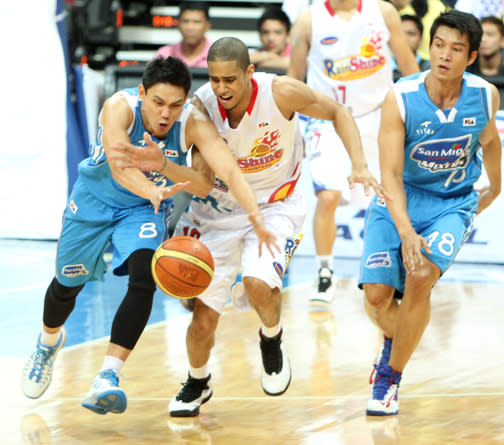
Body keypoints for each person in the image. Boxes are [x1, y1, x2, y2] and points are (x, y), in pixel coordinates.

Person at [113, 37, 386, 417]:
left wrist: (358, 164)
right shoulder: (200, 108)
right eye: (214, 79)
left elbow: (339, 111)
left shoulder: (282, 92)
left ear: (249, 72)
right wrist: (161, 165)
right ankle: (198, 380)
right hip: (215, 212)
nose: (221, 88)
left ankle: (271, 338)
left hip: (276, 205)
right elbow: (203, 181)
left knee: (259, 285)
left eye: (230, 79)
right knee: (199, 310)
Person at [21, 56, 277, 415]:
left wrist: (254, 213)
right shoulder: (118, 108)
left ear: (185, 102)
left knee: (145, 278)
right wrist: (153, 189)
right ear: (141, 93)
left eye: (175, 105)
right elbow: (118, 165)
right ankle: (48, 342)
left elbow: (216, 178)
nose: (165, 114)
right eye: (157, 102)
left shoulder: (194, 123)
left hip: (141, 211)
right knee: (66, 286)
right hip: (94, 202)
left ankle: (108, 376)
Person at [359, 10, 501, 416]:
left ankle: (390, 378)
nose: (444, 55)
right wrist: (405, 231)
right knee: (376, 299)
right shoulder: (400, 96)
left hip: (451, 203)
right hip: (398, 197)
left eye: (456, 49)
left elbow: (490, 141)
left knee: (420, 276)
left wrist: (496, 185)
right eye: (438, 45)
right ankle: (396, 341)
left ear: (471, 56)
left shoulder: (484, 94)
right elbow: (388, 173)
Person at [288, 0, 419, 305]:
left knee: (389, 196)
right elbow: (293, 77)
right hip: (327, 118)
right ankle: (324, 270)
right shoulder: (308, 20)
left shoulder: (383, 12)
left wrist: (419, 108)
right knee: (328, 195)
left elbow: (409, 66)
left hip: (378, 117)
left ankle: (392, 269)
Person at [154, 1, 212, 68]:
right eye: (185, 21)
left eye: (196, 22)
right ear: (178, 24)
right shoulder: (164, 55)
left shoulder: (219, 57)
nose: (190, 27)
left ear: (207, 26)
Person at [249, 7, 292, 71]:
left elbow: (300, 64)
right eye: (265, 32)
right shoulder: (255, 52)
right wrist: (267, 55)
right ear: (260, 35)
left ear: (288, 36)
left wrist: (259, 63)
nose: (271, 38)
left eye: (277, 32)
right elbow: (237, 61)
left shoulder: (298, 54)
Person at [393, 14, 431, 80]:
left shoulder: (430, 70)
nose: (405, 38)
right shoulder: (378, 68)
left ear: (421, 40)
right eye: (400, 33)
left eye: (411, 33)